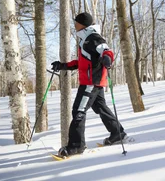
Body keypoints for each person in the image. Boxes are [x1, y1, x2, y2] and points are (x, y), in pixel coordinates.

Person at [51, 12, 127, 157]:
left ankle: (76, 146)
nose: (74, 24)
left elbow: (107, 50)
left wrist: (107, 58)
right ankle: (117, 133)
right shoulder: (85, 39)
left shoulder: (93, 37)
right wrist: (62, 65)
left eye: (76, 22)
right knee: (101, 108)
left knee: (78, 111)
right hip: (94, 82)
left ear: (83, 24)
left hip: (91, 82)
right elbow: (82, 62)